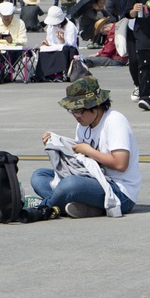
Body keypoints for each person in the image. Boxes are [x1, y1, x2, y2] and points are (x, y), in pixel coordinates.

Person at [30, 76, 140, 218]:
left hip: (120, 191)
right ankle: (87, 207)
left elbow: (120, 164)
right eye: (73, 111)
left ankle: (45, 207)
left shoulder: (114, 121)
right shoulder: (83, 125)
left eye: (80, 111)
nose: (77, 116)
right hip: (92, 178)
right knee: (39, 176)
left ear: (96, 105)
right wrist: (57, 143)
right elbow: (79, 160)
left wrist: (89, 151)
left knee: (70, 185)